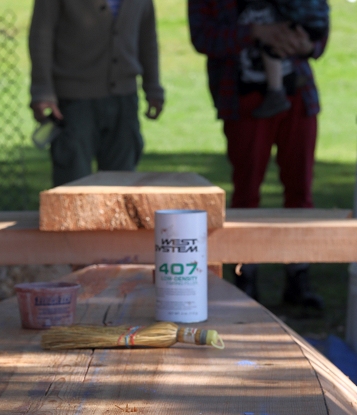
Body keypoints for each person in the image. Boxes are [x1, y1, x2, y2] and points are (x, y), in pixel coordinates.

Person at [188, 0, 329, 308]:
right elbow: (203, 38)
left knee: (300, 190)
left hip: (297, 94)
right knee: (247, 193)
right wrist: (255, 32)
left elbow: (319, 26)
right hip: (243, 98)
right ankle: (245, 277)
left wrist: (307, 43)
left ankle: (299, 277)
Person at [29, 0, 165, 187]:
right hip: (74, 101)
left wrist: (153, 86)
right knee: (72, 182)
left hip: (124, 100)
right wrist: (42, 91)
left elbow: (147, 36)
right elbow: (41, 34)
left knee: (121, 184)